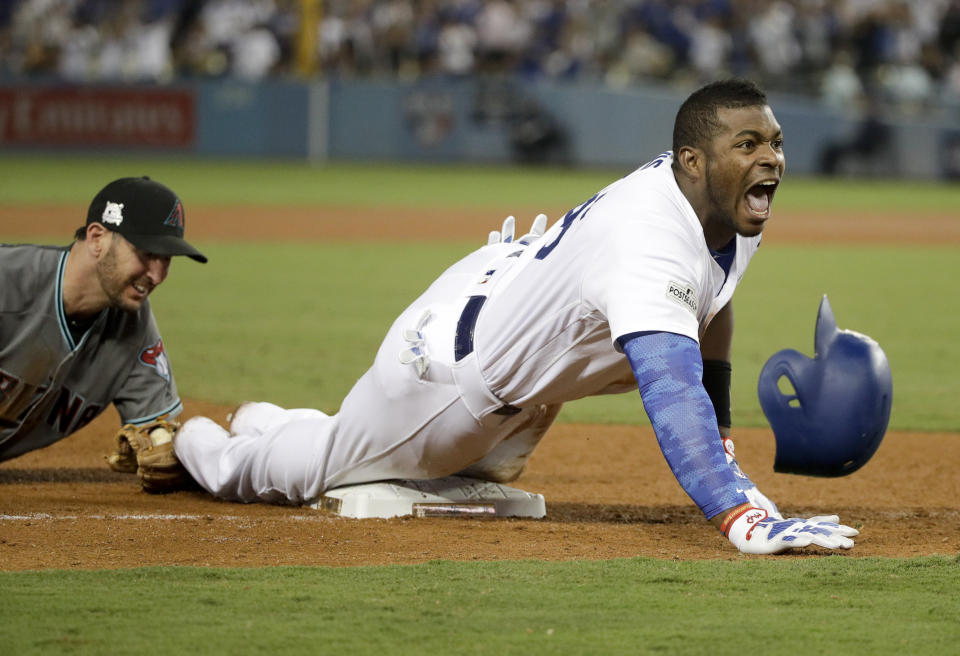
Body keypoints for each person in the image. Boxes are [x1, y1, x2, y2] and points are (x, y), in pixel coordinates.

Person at [175, 79, 859, 555]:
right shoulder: (650, 245)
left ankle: (277, 418)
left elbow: (715, 301)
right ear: (692, 160)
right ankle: (198, 443)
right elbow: (671, 392)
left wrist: (726, 431)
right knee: (316, 471)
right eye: (749, 144)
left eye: (773, 142)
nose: (770, 158)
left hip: (510, 312)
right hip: (445, 378)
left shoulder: (721, 198)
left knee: (491, 473)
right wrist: (738, 511)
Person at [0, 176, 206, 489]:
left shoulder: (133, 329)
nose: (158, 274)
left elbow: (159, 433)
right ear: (97, 238)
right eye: (147, 252)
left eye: (166, 259)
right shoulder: (8, 284)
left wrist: (164, 445)